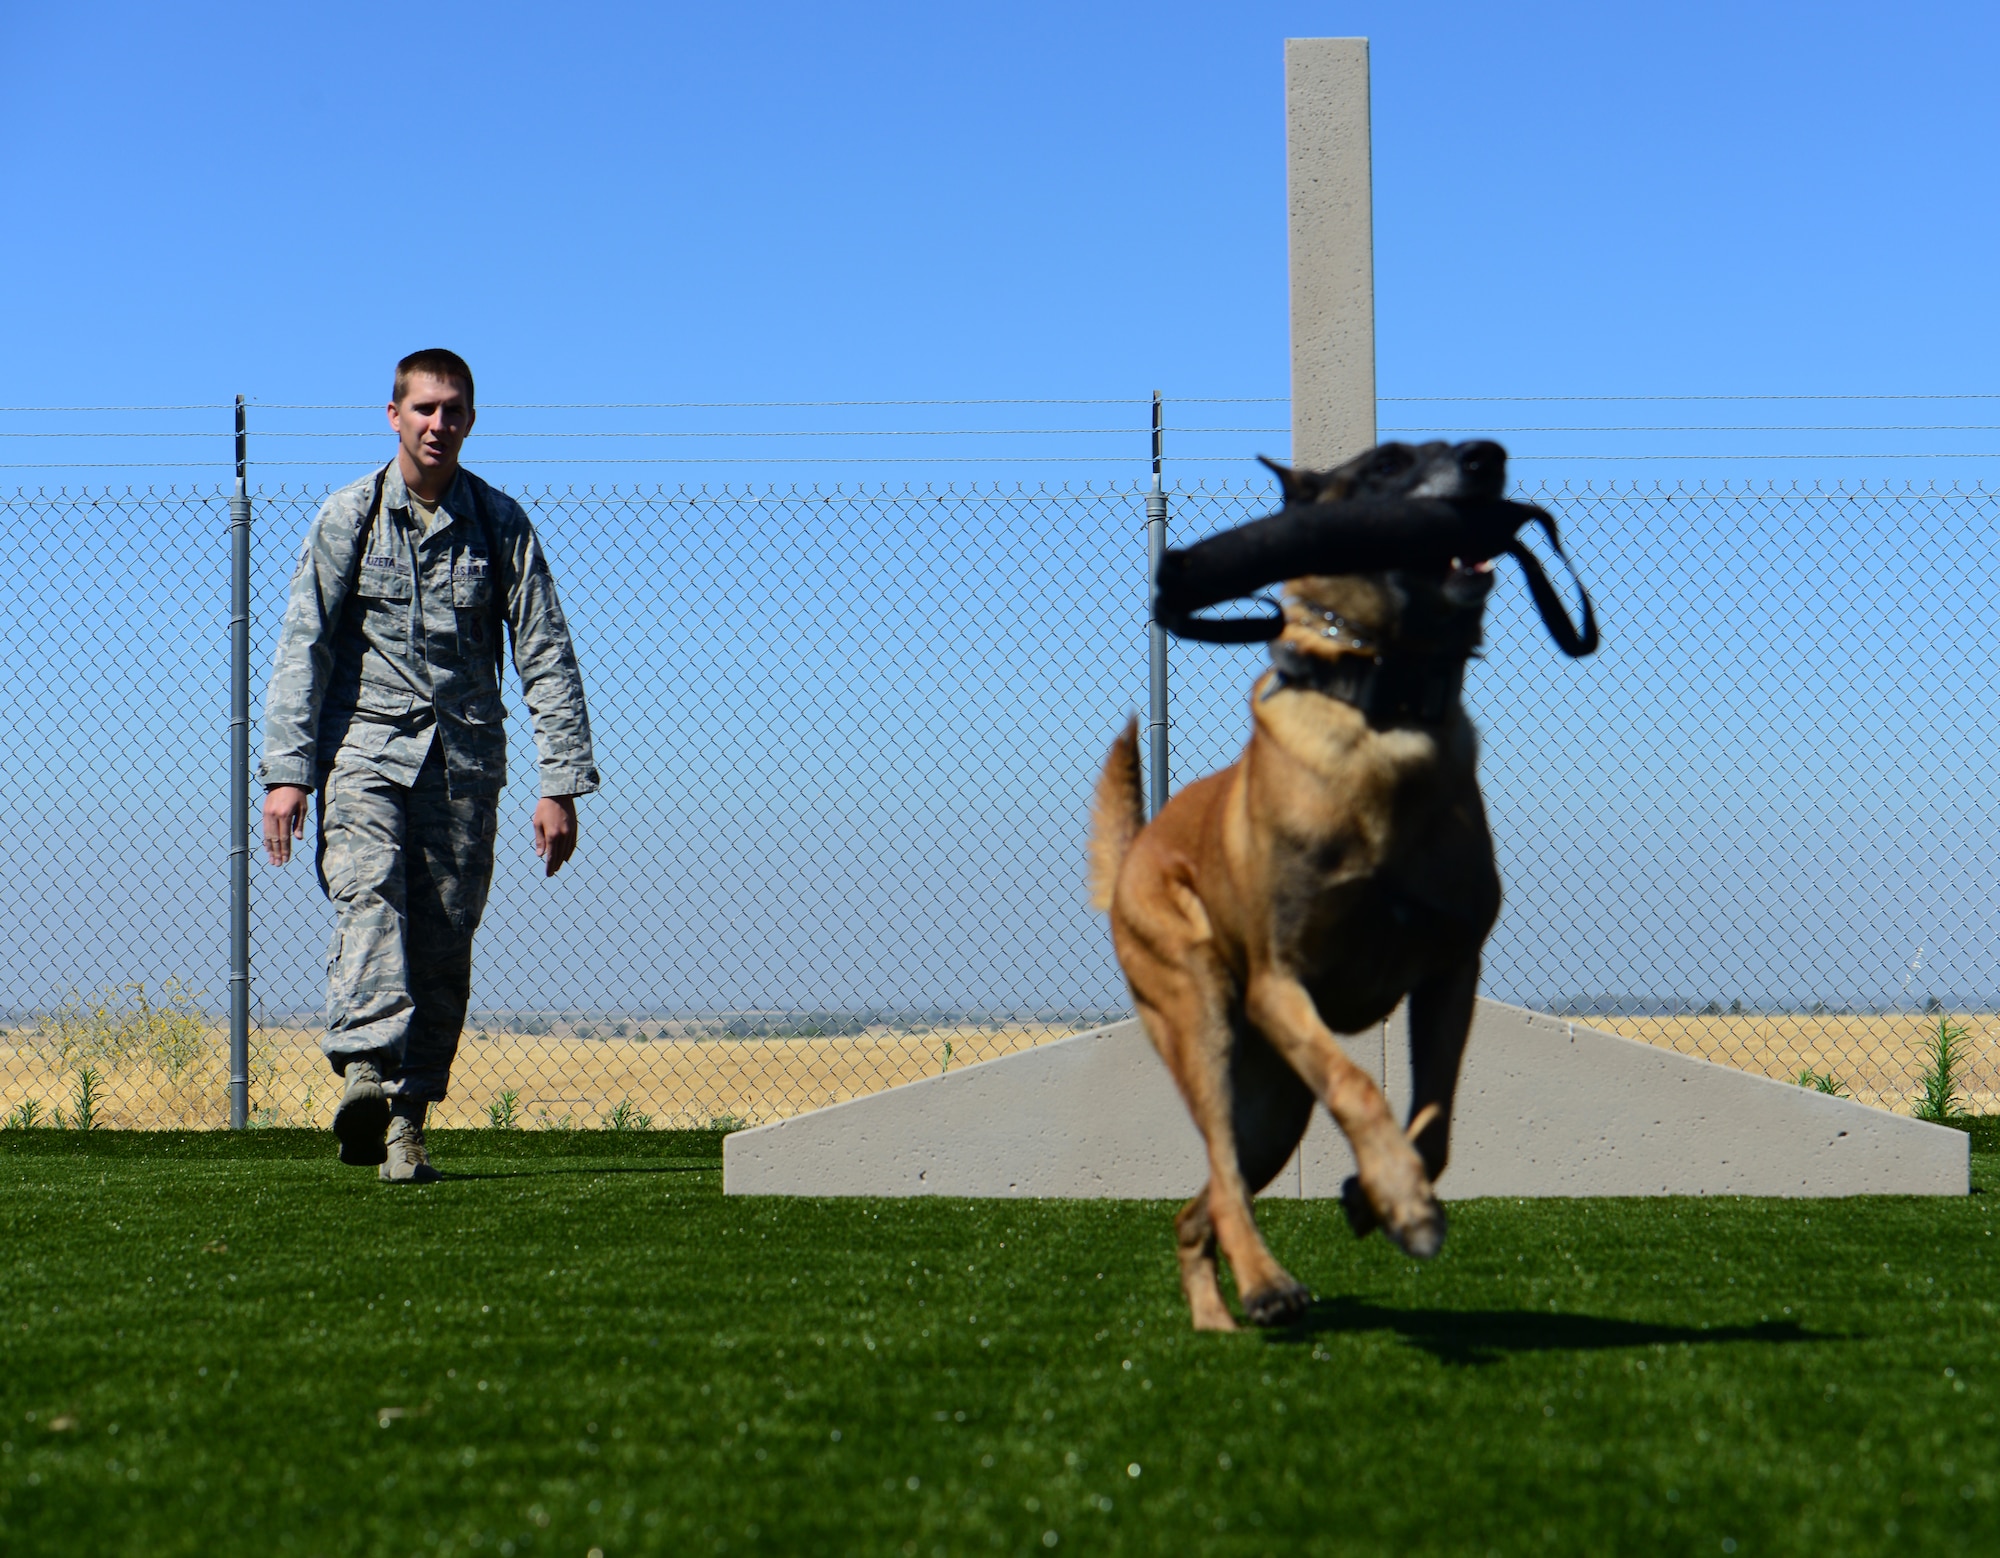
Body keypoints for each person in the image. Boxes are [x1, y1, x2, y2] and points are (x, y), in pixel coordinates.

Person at [259, 349, 599, 1182]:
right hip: (365, 751)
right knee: (367, 892)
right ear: (393, 415)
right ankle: (368, 1072)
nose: (437, 424)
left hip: (464, 764)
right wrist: (286, 771)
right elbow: (303, 643)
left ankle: (406, 1124)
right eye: (423, 409)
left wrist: (561, 782)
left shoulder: (500, 524)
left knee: (445, 940)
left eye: (452, 410)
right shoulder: (351, 515)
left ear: (470, 420)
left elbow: (546, 655)